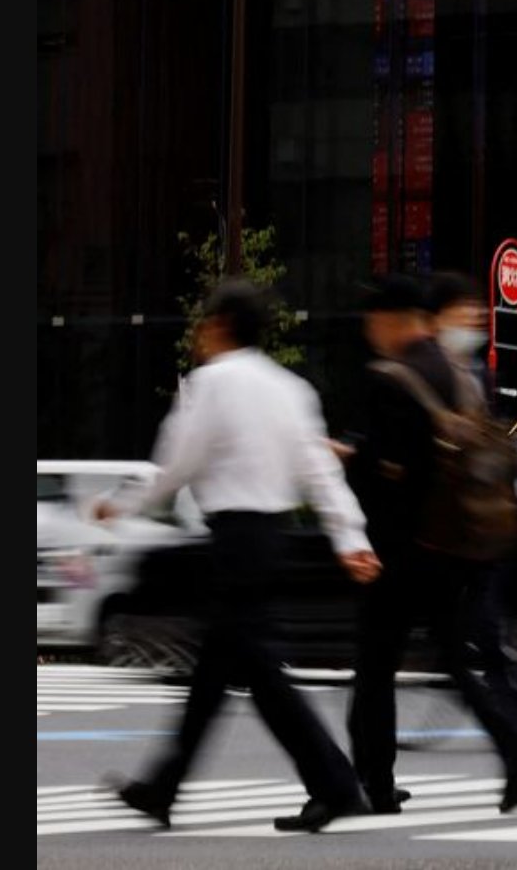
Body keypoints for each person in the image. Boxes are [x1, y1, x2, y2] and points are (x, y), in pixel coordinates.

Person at [104, 279, 380, 833]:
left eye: (204, 325)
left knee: (258, 670)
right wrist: (352, 538)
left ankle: (336, 783)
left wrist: (124, 502)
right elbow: (320, 472)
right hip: (272, 537)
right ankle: (165, 786)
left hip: (234, 538)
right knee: (216, 670)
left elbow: (180, 462)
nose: (200, 337)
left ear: (220, 325)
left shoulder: (211, 384)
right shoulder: (292, 389)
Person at [344, 274, 517, 814]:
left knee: (374, 668)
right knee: (458, 665)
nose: (373, 335)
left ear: (389, 321)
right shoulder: (463, 378)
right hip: (459, 546)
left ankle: (376, 781)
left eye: (373, 324)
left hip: (399, 552)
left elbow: (388, 473)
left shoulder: (386, 377)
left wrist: (351, 462)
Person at [427, 271, 496, 413]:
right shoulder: (426, 370)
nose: (478, 313)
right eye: (465, 305)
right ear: (437, 318)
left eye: (479, 305)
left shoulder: (479, 371)